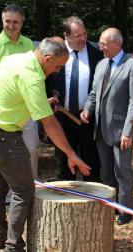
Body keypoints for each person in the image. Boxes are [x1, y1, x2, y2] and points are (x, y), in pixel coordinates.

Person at [0, 38, 91, 251]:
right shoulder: (31, 77)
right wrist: (70, 153)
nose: (57, 71)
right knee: (24, 190)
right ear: (47, 58)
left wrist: (40, 102)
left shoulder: (15, 59)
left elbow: (12, 94)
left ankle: (0, 239)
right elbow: (49, 124)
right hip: (6, 138)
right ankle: (13, 246)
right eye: (57, 66)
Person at [81, 27, 133, 225]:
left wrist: (128, 131)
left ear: (117, 44)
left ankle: (125, 210)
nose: (100, 47)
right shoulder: (101, 65)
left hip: (120, 131)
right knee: (106, 172)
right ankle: (111, 205)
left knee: (122, 172)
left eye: (104, 43)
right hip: (100, 129)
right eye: (100, 43)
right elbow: (94, 93)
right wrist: (87, 109)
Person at [0, 4, 40, 178]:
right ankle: (9, 196)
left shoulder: (29, 45)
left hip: (26, 111)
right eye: (8, 21)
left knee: (31, 151)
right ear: (2, 21)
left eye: (16, 22)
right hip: (0, 114)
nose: (11, 26)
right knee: (4, 156)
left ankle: (31, 191)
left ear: (23, 22)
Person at [45, 16, 102, 182]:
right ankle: (67, 193)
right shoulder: (56, 53)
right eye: (77, 36)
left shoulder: (96, 52)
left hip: (88, 116)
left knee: (90, 159)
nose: (83, 38)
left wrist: (91, 108)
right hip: (62, 115)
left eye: (84, 34)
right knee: (65, 160)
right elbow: (45, 78)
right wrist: (50, 96)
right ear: (66, 36)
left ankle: (92, 197)